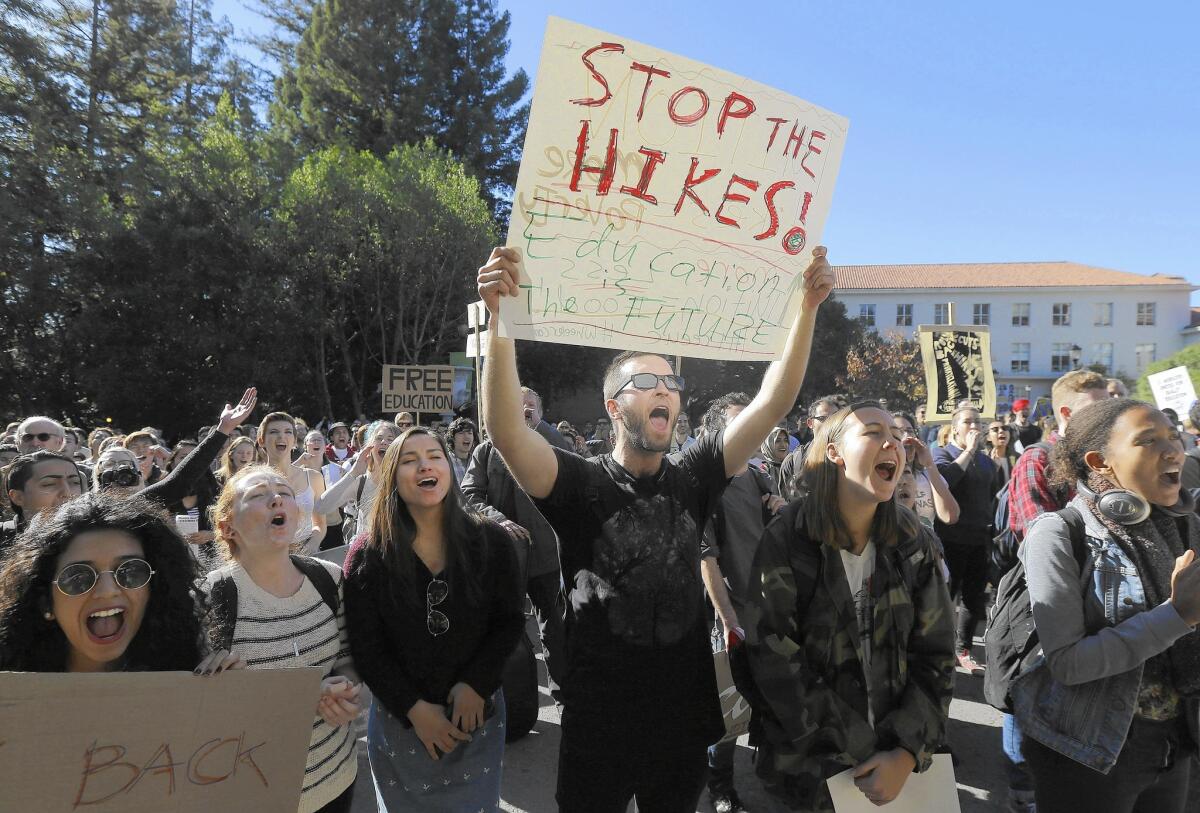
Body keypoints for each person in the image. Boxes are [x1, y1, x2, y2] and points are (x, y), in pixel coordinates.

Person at [477, 243, 835, 811]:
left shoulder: (696, 476)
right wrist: (501, 318)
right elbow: (503, 427)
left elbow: (771, 403)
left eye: (672, 381)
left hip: (681, 716)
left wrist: (808, 309)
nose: (666, 389)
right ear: (615, 406)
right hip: (600, 719)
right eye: (647, 381)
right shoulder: (577, 484)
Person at [743, 402, 956, 812]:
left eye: (896, 435)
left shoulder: (912, 539)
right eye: (874, 432)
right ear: (834, 453)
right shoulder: (788, 538)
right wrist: (864, 748)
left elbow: (937, 653)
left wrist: (907, 750)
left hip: (900, 772)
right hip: (812, 770)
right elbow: (772, 658)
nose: (892, 443)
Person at [1014, 398, 1200, 813]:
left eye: (1173, 435)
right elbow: (1067, 663)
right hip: (1090, 752)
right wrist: (1177, 615)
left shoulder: (1189, 527)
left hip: (1175, 743)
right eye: (1148, 441)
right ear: (1100, 462)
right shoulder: (1059, 533)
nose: (1173, 450)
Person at [343, 427, 524, 811]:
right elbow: (367, 647)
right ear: (391, 474)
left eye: (434, 455)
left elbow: (508, 622)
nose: (425, 464)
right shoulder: (367, 553)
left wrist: (476, 683)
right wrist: (413, 708)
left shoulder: (491, 540)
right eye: (409, 460)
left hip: (476, 720)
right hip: (400, 724)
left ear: (449, 468)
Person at [206, 465, 360, 813]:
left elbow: (348, 657)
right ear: (227, 525)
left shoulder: (328, 578)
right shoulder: (208, 598)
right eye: (259, 495)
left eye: (285, 493)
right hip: (251, 795)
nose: (277, 498)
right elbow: (194, 709)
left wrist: (347, 688)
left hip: (336, 778)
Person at [0, 491, 239, 674]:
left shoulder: (188, 675)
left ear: (154, 591)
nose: (107, 591)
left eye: (130, 571)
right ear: (45, 602)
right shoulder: (11, 696)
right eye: (78, 577)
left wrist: (221, 694)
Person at [694, 392, 786, 813]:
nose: (751, 430)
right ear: (718, 433)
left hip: (769, 611)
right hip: (728, 617)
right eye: (738, 422)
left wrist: (783, 509)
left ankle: (772, 772)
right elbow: (706, 559)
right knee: (727, 712)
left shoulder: (761, 475)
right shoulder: (707, 485)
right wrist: (728, 620)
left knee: (771, 699)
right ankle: (721, 789)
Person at [462, 400, 569, 704]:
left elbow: (574, 465)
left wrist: (539, 426)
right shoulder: (486, 450)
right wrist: (499, 521)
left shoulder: (549, 442)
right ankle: (504, 696)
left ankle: (563, 693)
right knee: (503, 625)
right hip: (505, 554)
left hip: (546, 553)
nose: (523, 409)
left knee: (554, 625)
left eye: (531, 406)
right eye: (517, 404)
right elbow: (468, 494)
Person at [933, 406, 1001, 674]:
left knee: (974, 599)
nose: (974, 426)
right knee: (944, 597)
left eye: (978, 422)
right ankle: (938, 648)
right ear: (955, 427)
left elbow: (992, 498)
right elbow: (945, 480)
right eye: (967, 422)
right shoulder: (942, 453)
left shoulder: (986, 462)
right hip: (949, 538)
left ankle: (963, 650)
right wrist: (968, 452)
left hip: (979, 538)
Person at [315, 420, 399, 545]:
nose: (384, 442)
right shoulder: (361, 482)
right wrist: (353, 473)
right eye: (379, 438)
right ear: (369, 447)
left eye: (390, 439)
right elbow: (321, 507)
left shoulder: (406, 482)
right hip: (368, 558)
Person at [258, 412, 326, 554]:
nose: (281, 436)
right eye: (274, 432)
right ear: (261, 440)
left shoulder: (314, 477)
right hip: (268, 557)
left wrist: (313, 543)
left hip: (308, 556)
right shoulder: (253, 482)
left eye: (288, 432)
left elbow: (320, 523)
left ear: (295, 441)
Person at [1, 451, 84, 555]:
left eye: (75, 482)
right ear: (18, 497)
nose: (67, 493)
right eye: (49, 484)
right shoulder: (3, 538)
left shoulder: (96, 538)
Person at [892, 412, 959, 530]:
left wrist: (929, 464)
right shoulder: (883, 476)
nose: (907, 436)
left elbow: (950, 516)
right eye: (899, 431)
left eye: (910, 431)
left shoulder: (927, 474)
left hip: (924, 546)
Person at [779, 396, 841, 500]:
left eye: (835, 418)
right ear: (810, 423)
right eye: (823, 419)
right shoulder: (794, 461)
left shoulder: (850, 458)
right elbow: (786, 506)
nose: (830, 423)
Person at [447, 417, 478, 481]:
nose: (466, 437)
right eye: (461, 433)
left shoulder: (477, 462)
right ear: (452, 438)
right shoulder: (446, 461)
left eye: (470, 433)